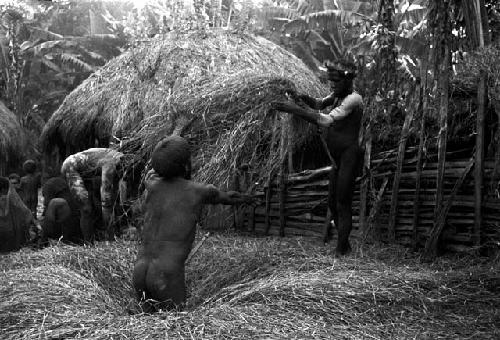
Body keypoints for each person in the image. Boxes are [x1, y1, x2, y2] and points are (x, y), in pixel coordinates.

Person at [132, 136, 255, 312]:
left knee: (147, 324)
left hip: (139, 271)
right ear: (186, 166)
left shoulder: (151, 185)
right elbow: (229, 197)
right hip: (165, 274)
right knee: (176, 325)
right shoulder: (199, 191)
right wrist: (248, 198)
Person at [271, 60, 364, 256]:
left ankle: (341, 249)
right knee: (332, 202)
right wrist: (298, 97)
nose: (332, 86)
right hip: (337, 158)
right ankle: (344, 245)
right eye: (331, 83)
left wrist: (293, 109)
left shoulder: (353, 99)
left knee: (342, 202)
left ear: (347, 82)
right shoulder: (338, 96)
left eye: (336, 83)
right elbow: (319, 103)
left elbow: (325, 120)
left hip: (349, 156)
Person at [61, 148, 127, 242]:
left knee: (95, 206)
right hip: (70, 167)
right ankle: (88, 243)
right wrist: (111, 235)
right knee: (86, 209)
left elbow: (115, 192)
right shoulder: (112, 163)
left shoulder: (119, 162)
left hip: (85, 171)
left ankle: (100, 238)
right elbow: (106, 196)